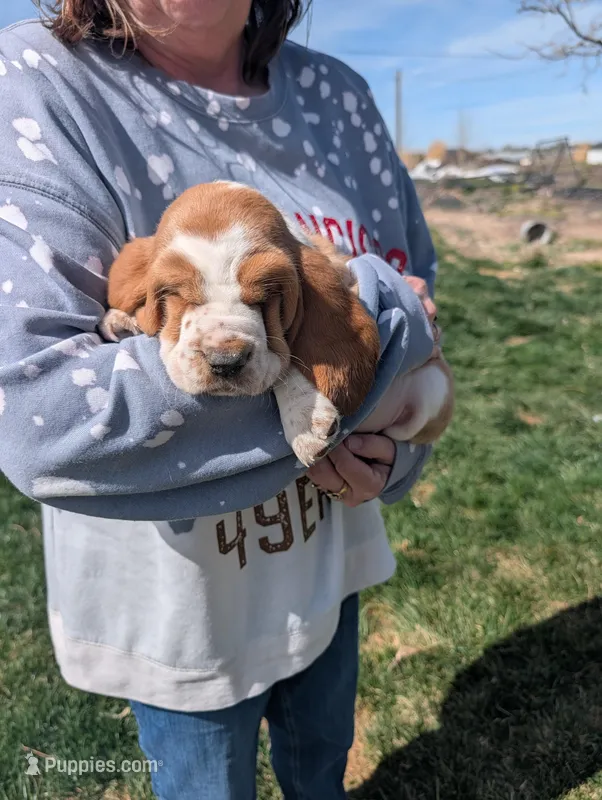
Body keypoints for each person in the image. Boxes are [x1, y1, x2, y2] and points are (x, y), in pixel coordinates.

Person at [0, 1, 441, 797]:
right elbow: (43, 417)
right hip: (181, 610)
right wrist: (368, 319)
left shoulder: (338, 96)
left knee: (324, 765)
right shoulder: (35, 79)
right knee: (205, 782)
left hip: (323, 564)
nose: (230, 341)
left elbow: (417, 310)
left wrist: (398, 443)